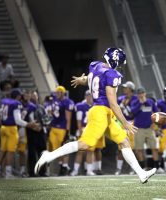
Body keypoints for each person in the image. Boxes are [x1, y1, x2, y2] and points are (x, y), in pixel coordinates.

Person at [34, 47, 156, 183]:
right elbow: (113, 102)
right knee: (85, 145)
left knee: (123, 141)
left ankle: (141, 173)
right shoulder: (112, 74)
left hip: (104, 113)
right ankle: (48, 156)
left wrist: (83, 80)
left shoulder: (96, 65)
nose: (120, 66)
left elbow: (92, 78)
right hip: (101, 112)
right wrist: (125, 122)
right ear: (116, 61)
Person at [0, 89, 38, 178]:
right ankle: (8, 173)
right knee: (10, 151)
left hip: (4, 128)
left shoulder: (5, 102)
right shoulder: (16, 104)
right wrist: (29, 124)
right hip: (12, 129)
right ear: (17, 96)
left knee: (2, 150)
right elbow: (18, 120)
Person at [70, 90, 105, 176]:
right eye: (88, 96)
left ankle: (89, 170)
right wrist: (81, 131)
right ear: (85, 97)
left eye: (91, 96)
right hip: (83, 130)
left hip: (93, 131)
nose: (90, 97)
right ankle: (75, 170)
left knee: (90, 151)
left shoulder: (97, 106)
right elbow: (79, 121)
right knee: (80, 151)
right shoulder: (80, 106)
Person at [48, 86, 74, 176]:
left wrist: (67, 131)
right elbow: (51, 112)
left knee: (64, 149)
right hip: (53, 127)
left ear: (63, 93)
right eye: (57, 92)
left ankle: (65, 166)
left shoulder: (67, 102)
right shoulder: (54, 100)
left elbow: (68, 118)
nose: (57, 94)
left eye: (59, 92)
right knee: (56, 150)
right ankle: (62, 166)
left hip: (62, 129)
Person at [131, 87, 159, 170]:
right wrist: (140, 104)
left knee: (154, 148)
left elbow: (156, 112)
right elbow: (133, 112)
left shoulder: (150, 102)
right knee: (139, 149)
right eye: (139, 93)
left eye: (142, 93)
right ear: (137, 95)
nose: (141, 95)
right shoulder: (135, 102)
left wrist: (155, 124)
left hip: (149, 129)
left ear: (145, 93)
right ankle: (142, 167)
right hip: (139, 129)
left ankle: (157, 167)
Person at [115, 81, 137, 175]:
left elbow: (132, 113)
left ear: (131, 90)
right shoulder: (120, 99)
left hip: (131, 123)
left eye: (126, 88)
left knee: (132, 148)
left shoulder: (135, 99)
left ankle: (133, 168)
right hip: (121, 124)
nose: (124, 90)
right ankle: (118, 169)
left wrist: (124, 105)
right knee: (120, 147)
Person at [27, 90, 49, 177]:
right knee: (32, 154)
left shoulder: (42, 108)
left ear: (37, 97)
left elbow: (46, 119)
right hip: (31, 132)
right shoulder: (27, 107)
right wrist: (33, 126)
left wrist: (42, 125)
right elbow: (25, 119)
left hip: (41, 132)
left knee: (43, 153)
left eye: (35, 96)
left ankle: (43, 171)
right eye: (32, 96)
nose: (33, 98)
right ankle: (32, 172)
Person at [17, 90, 37, 177]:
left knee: (22, 151)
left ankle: (22, 170)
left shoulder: (32, 106)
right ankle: (3, 170)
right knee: (7, 150)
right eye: (25, 94)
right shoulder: (17, 103)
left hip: (22, 129)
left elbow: (31, 118)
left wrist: (34, 124)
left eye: (28, 94)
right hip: (12, 127)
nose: (27, 96)